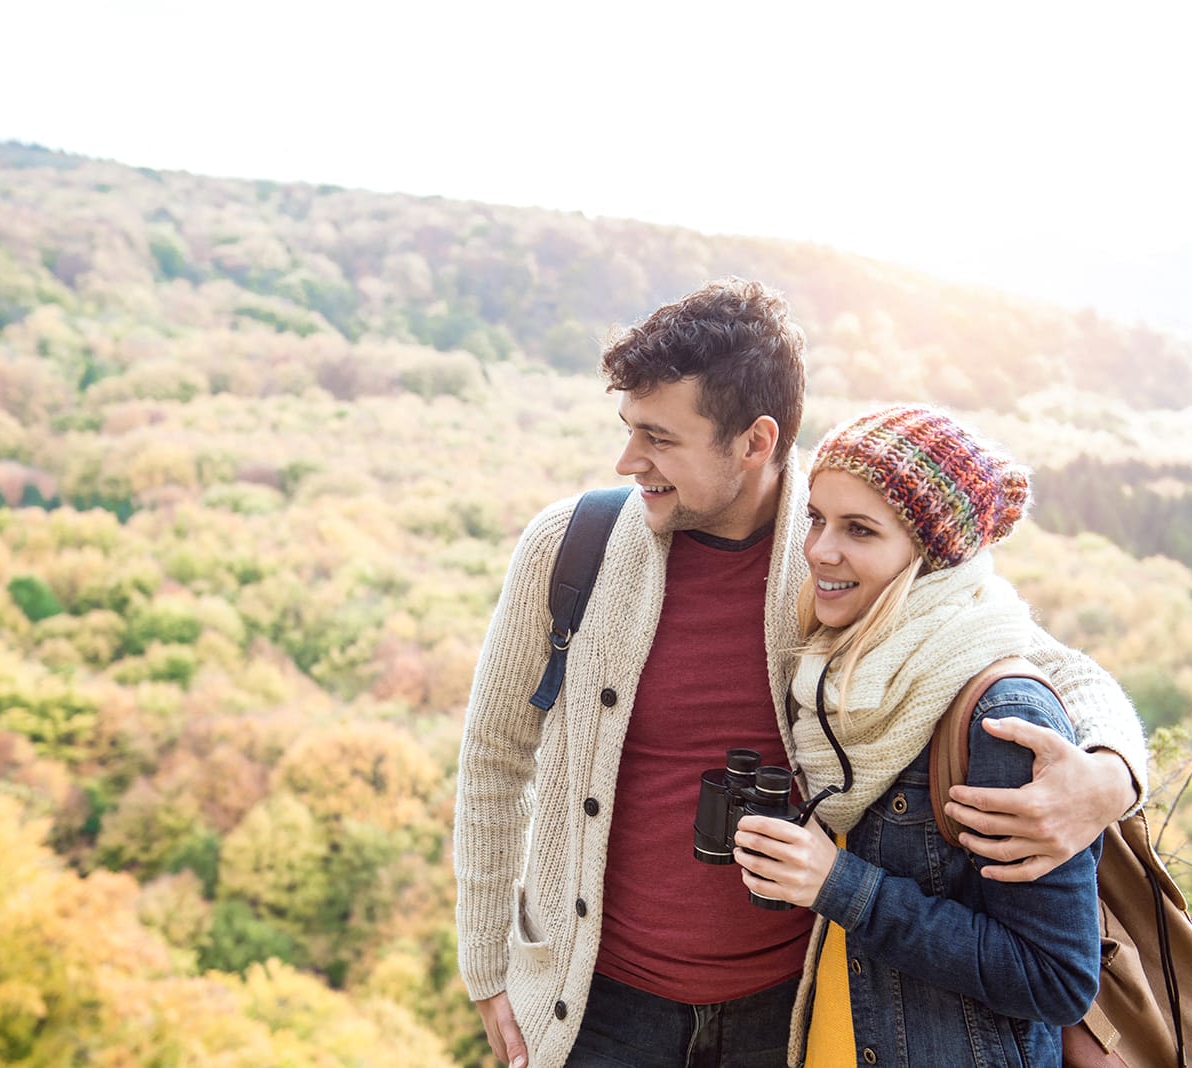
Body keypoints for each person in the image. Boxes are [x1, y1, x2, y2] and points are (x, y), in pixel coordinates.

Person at [452, 278, 1146, 1068]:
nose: (628, 460)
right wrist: (488, 967)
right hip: (598, 1006)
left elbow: (1049, 667)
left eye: (660, 438)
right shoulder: (569, 548)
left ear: (754, 441)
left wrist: (1110, 777)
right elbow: (495, 758)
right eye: (628, 430)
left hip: (791, 1012)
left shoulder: (843, 552)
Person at [732, 403, 1101, 1065]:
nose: (820, 550)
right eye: (816, 519)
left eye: (861, 530)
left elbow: (1057, 978)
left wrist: (837, 883)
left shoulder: (999, 716)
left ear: (930, 556)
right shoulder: (838, 673)